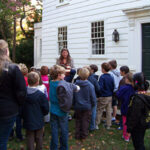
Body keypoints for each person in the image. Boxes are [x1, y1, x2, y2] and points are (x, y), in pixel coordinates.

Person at [0, 40, 27, 150]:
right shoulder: (13, 68)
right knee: (2, 141)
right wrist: (18, 104)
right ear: (6, 51)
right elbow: (21, 91)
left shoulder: (11, 68)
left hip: (8, 108)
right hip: (8, 110)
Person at [49, 65, 79, 150]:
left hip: (53, 110)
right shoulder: (62, 84)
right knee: (64, 130)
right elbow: (75, 88)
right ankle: (64, 147)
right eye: (63, 74)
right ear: (59, 75)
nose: (65, 75)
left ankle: (54, 147)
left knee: (54, 130)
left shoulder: (51, 82)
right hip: (62, 111)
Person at [22, 72, 49, 150]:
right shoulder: (41, 95)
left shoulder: (23, 94)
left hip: (29, 119)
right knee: (39, 137)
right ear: (38, 81)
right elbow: (46, 109)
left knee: (30, 137)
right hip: (38, 119)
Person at [126, 72, 150, 150]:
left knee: (138, 144)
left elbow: (134, 115)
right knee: (140, 141)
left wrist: (129, 129)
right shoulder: (145, 95)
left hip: (137, 126)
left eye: (132, 82)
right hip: (143, 123)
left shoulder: (137, 99)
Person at [73, 67, 97, 140]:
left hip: (79, 106)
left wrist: (74, 104)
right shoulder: (89, 86)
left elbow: (73, 96)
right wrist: (93, 105)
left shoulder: (75, 84)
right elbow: (93, 98)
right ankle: (83, 135)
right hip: (86, 106)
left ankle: (78, 134)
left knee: (78, 120)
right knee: (85, 121)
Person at [116, 73, 135, 142]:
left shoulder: (124, 88)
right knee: (132, 122)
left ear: (127, 79)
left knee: (125, 123)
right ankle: (131, 135)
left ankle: (126, 136)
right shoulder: (135, 88)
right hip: (133, 108)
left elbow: (118, 95)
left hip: (126, 107)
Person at [96, 62, 114, 130]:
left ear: (103, 69)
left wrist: (99, 94)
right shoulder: (111, 77)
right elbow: (113, 86)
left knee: (99, 110)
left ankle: (96, 123)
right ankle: (108, 124)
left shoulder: (102, 77)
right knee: (109, 110)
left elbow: (100, 87)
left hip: (103, 96)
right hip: (110, 96)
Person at [117, 65, 130, 130]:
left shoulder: (123, 80)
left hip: (123, 99)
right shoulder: (127, 79)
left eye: (121, 71)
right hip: (126, 99)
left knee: (123, 113)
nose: (120, 72)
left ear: (123, 72)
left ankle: (122, 125)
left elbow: (121, 90)